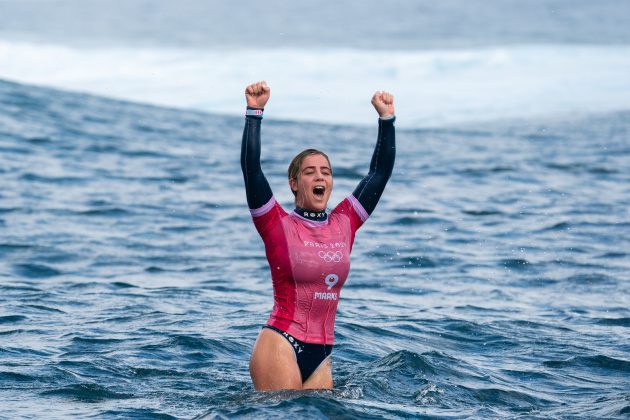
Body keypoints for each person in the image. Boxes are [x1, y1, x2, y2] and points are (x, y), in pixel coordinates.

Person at [241, 81, 395, 391]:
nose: (320, 175)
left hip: (322, 354)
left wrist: (387, 120)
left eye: (325, 171)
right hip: (280, 343)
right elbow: (252, 169)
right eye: (310, 171)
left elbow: (378, 174)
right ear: (294, 183)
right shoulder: (276, 223)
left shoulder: (344, 223)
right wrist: (254, 112)